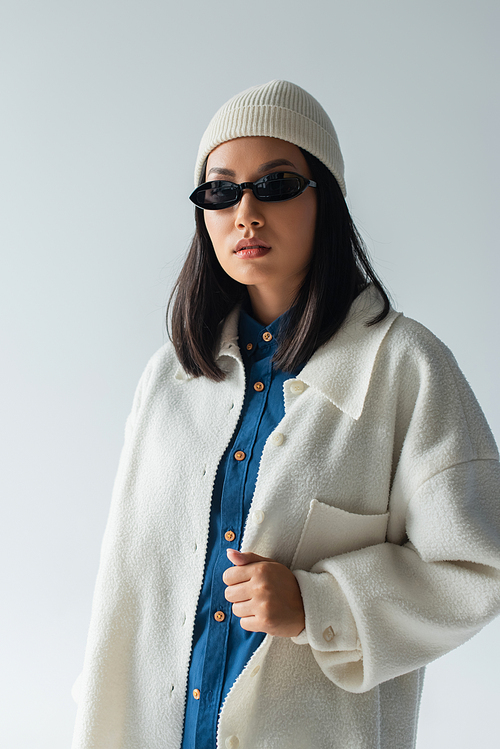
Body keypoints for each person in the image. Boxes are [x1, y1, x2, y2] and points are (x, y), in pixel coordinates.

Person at [71, 80, 500, 749]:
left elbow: (476, 566)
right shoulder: (169, 378)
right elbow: (124, 585)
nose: (245, 211)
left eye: (275, 185)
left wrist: (318, 604)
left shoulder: (405, 366)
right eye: (221, 190)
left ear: (323, 198)